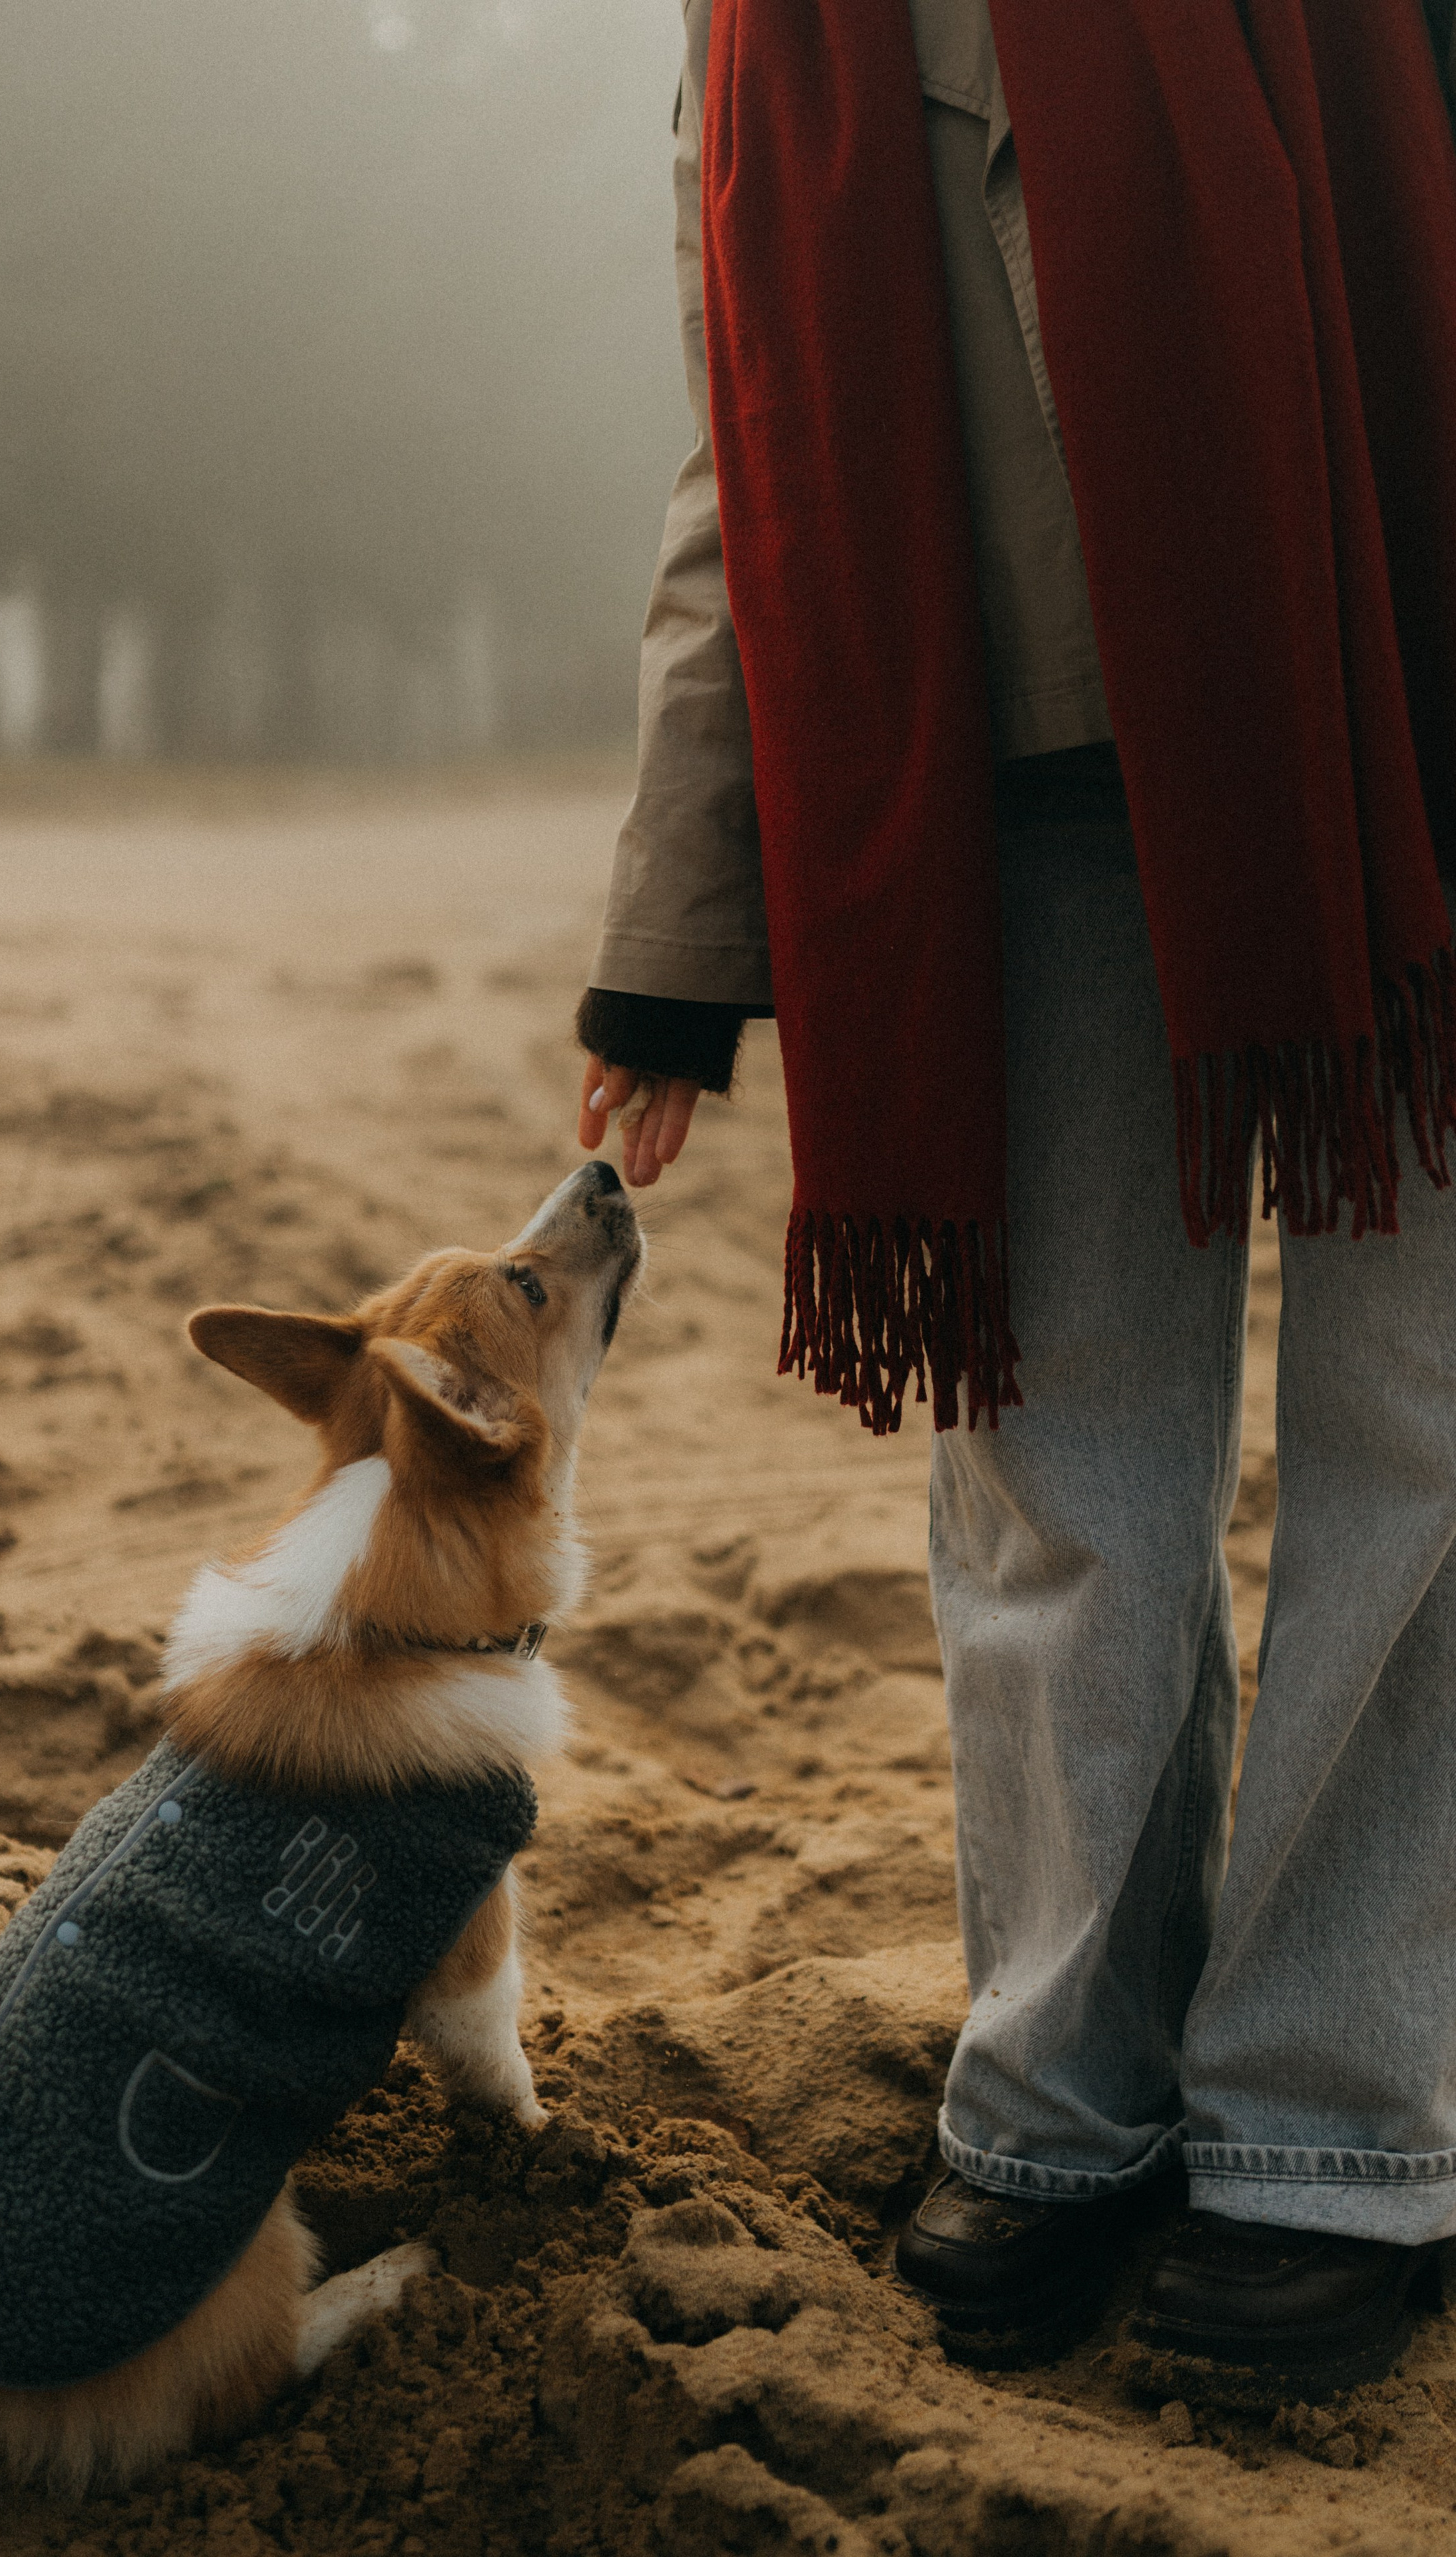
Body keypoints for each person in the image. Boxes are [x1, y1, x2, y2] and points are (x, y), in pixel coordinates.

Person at [577, 0, 1456, 2404]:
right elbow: (745, 444)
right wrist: (680, 946)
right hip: (1027, 784)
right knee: (1058, 1469)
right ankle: (1065, 2100)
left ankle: (1331, 2137)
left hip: (1411, 698)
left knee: (1427, 1442)